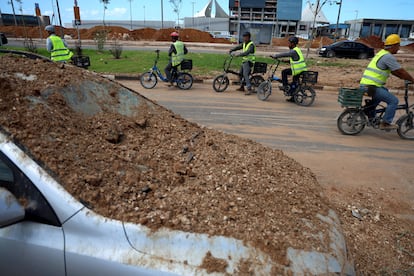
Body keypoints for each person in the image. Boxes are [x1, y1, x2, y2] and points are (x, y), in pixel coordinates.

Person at [360, 34, 414, 130]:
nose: (398, 48)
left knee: (385, 91)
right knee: (393, 101)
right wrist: (412, 80)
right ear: (393, 46)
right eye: (398, 46)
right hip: (371, 86)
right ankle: (385, 123)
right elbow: (400, 71)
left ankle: (370, 112)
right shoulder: (388, 57)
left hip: (368, 85)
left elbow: (395, 72)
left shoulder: (381, 53)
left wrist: (404, 78)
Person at [270, 36, 307, 101]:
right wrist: (285, 61)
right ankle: (293, 97)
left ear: (293, 43)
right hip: (300, 69)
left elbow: (285, 54)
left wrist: (275, 56)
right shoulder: (297, 50)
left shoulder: (293, 51)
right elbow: (295, 60)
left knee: (284, 72)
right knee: (294, 83)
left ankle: (285, 86)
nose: (288, 44)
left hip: (297, 70)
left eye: (289, 43)